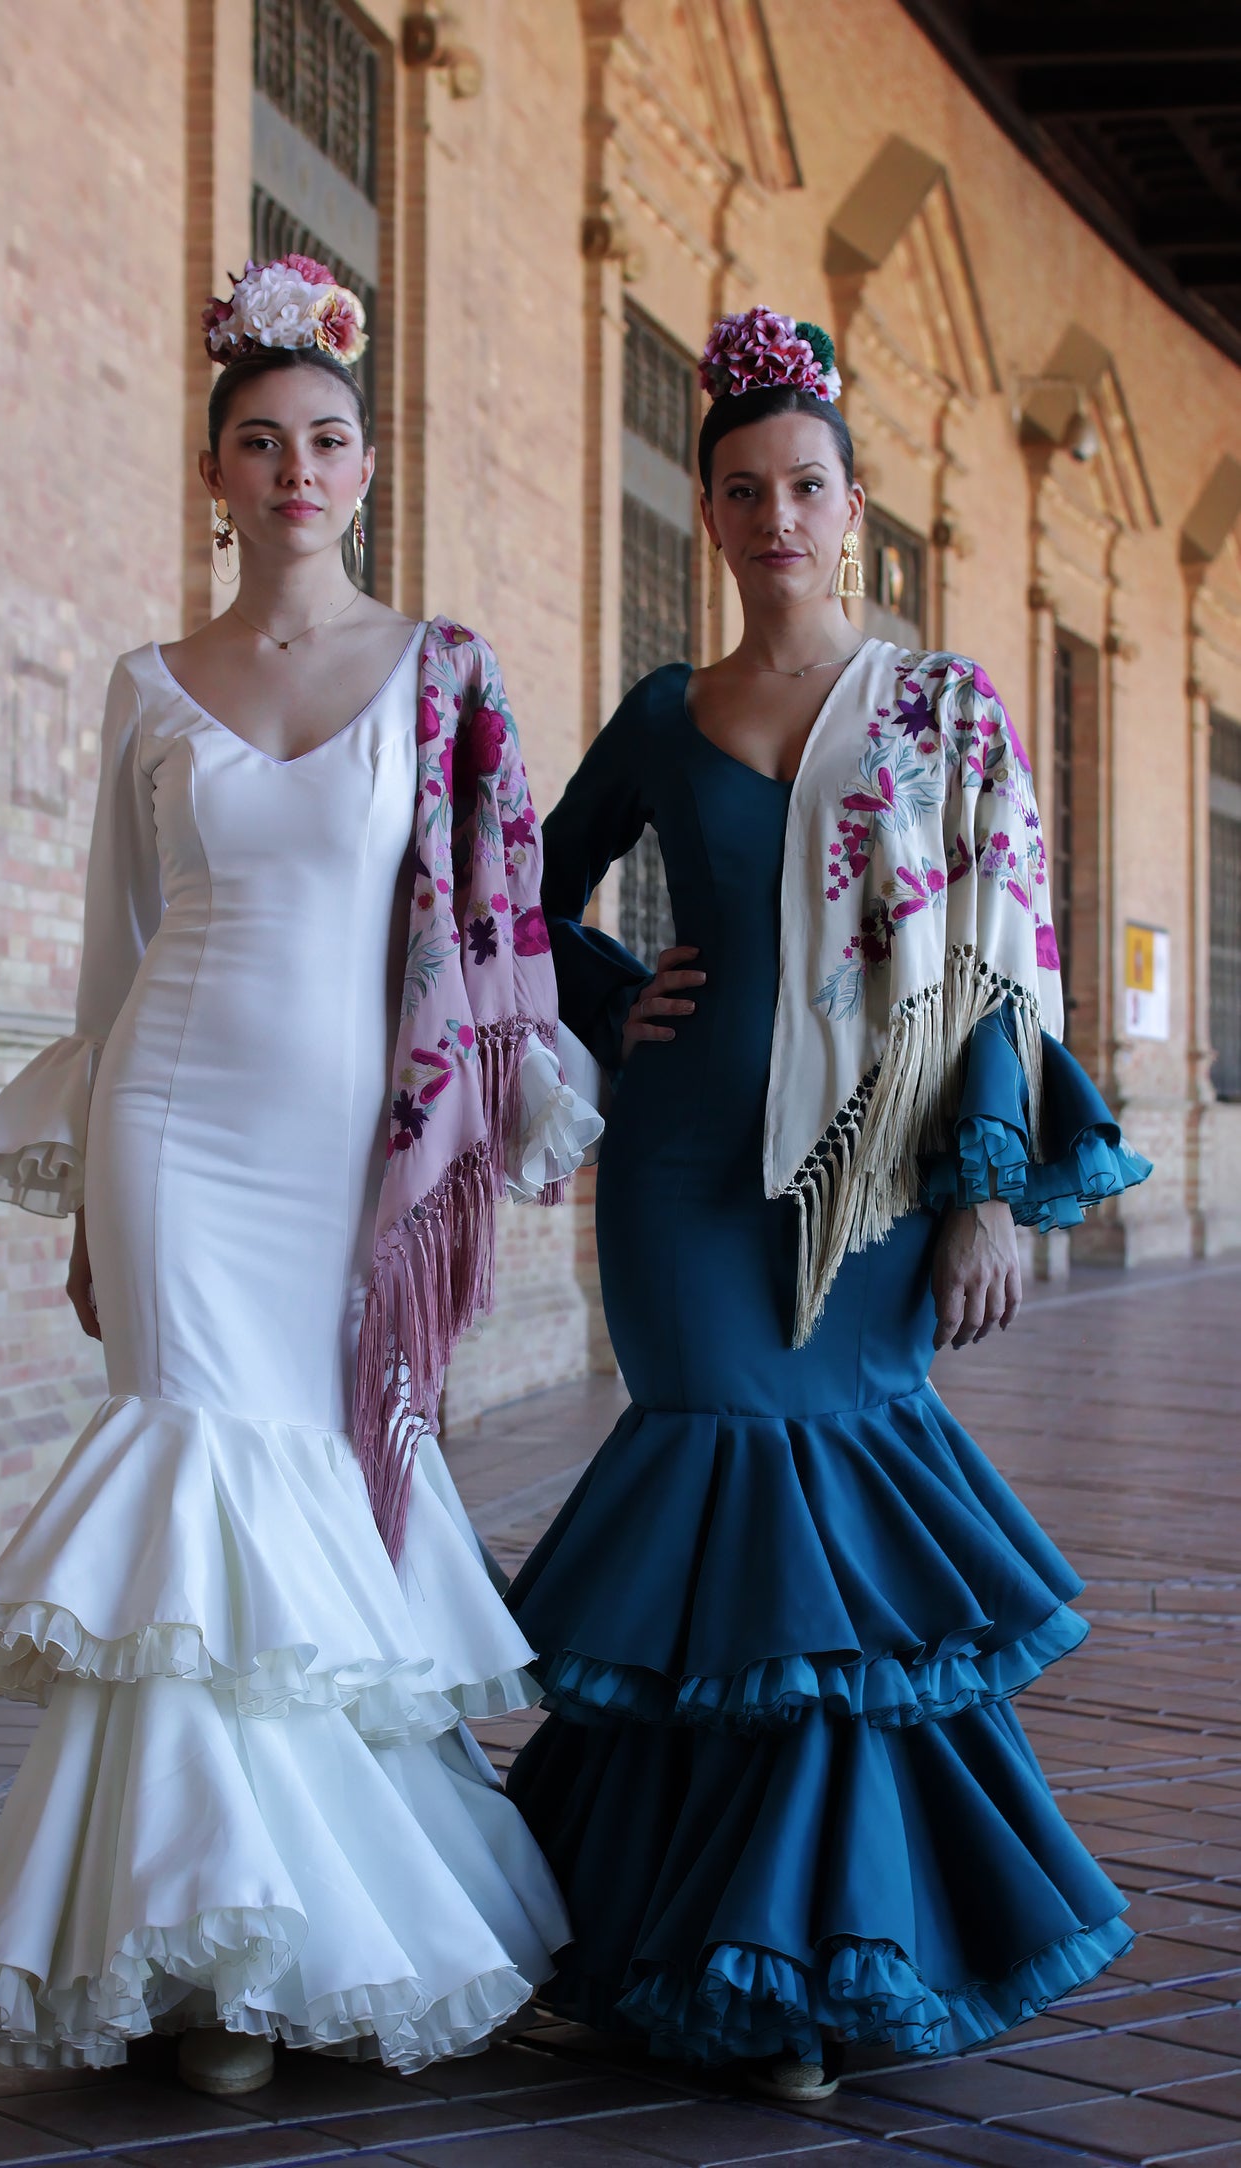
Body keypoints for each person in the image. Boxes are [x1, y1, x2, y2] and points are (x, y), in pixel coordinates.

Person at [0, 254, 598, 2091]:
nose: (299, 469)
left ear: (368, 468)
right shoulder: (145, 684)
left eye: (331, 440)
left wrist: (499, 1110)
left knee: (317, 1497)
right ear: (213, 473)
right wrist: (76, 1182)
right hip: (168, 1122)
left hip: (342, 1144)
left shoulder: (441, 674)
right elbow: (108, 957)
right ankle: (201, 1956)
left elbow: (491, 921)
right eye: (262, 442)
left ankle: (307, 1936)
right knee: (196, 1490)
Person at [504, 307, 1151, 2102]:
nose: (773, 514)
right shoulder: (659, 713)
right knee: (720, 1503)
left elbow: (1006, 972)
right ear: (704, 515)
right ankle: (675, 1944)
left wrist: (987, 1193)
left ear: (849, 505)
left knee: (826, 1549)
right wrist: (599, 986)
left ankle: (785, 1960)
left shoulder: (945, 708)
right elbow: (517, 887)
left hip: (872, 1179)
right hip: (684, 1168)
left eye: (803, 485)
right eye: (740, 489)